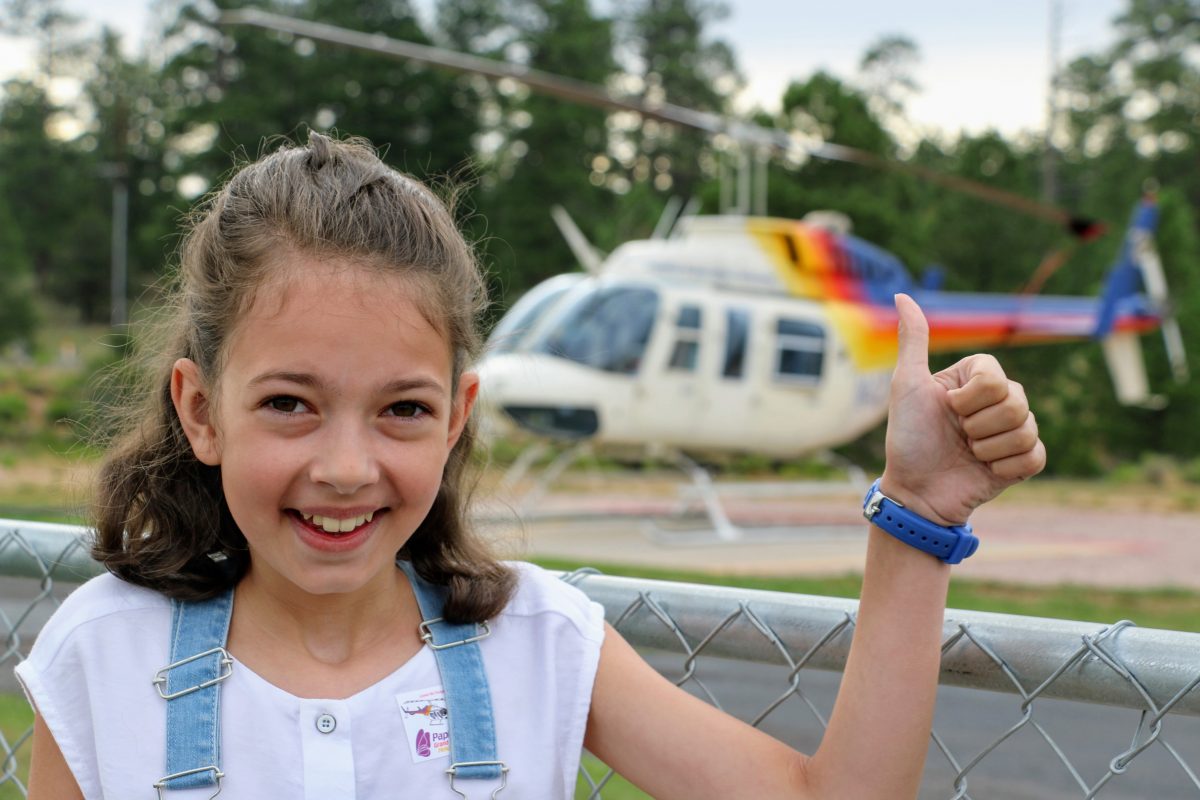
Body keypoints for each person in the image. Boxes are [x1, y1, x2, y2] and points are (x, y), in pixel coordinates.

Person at [17, 132, 1045, 800]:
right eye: (289, 403)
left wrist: (916, 512)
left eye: (402, 410)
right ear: (201, 410)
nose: (345, 465)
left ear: (460, 417)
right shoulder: (100, 658)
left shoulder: (542, 644)